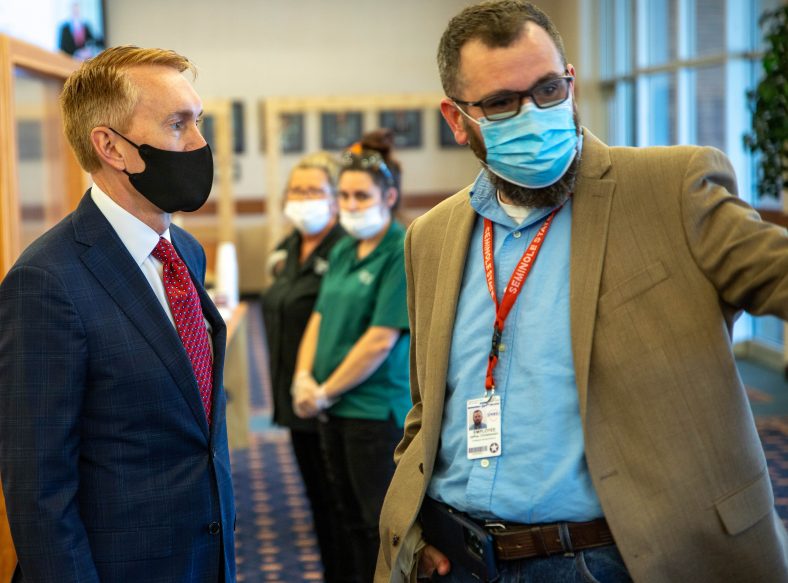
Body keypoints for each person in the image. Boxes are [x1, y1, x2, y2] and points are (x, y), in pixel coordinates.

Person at [375, 2, 788, 582]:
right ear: (456, 117)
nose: (533, 115)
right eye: (501, 103)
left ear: (569, 82)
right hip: (459, 559)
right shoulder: (433, 236)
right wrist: (417, 527)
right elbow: (428, 407)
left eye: (547, 90)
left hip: (614, 558)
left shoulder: (670, 189)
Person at [0, 46, 236, 582]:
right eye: (178, 125)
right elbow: (38, 493)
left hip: (205, 555)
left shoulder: (185, 252)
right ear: (111, 146)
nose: (200, 144)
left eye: (198, 121)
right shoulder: (45, 282)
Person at [294, 130, 411, 583]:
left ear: (390, 196)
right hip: (333, 409)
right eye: (343, 195)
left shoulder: (400, 249)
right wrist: (303, 377)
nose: (350, 204)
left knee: (376, 528)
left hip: (374, 413)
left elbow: (380, 341)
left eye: (361, 195)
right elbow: (319, 318)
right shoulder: (344, 247)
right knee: (344, 521)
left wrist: (324, 390)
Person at [260, 151, 346, 582]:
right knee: (318, 504)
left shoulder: (348, 248)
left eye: (315, 190)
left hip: (334, 400)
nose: (304, 198)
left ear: (335, 198)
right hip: (294, 401)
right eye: (297, 190)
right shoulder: (289, 247)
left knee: (344, 513)